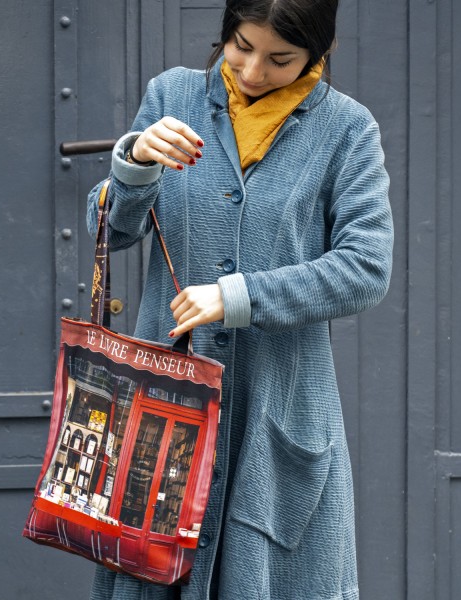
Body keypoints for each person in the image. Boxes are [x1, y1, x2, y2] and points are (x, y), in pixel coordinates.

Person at [86, 0, 393, 598]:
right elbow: (114, 230)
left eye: (280, 59)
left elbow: (367, 268)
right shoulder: (172, 95)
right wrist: (136, 165)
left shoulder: (347, 129)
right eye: (241, 47)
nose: (253, 72)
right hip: (167, 404)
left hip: (274, 408)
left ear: (317, 54)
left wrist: (239, 295)